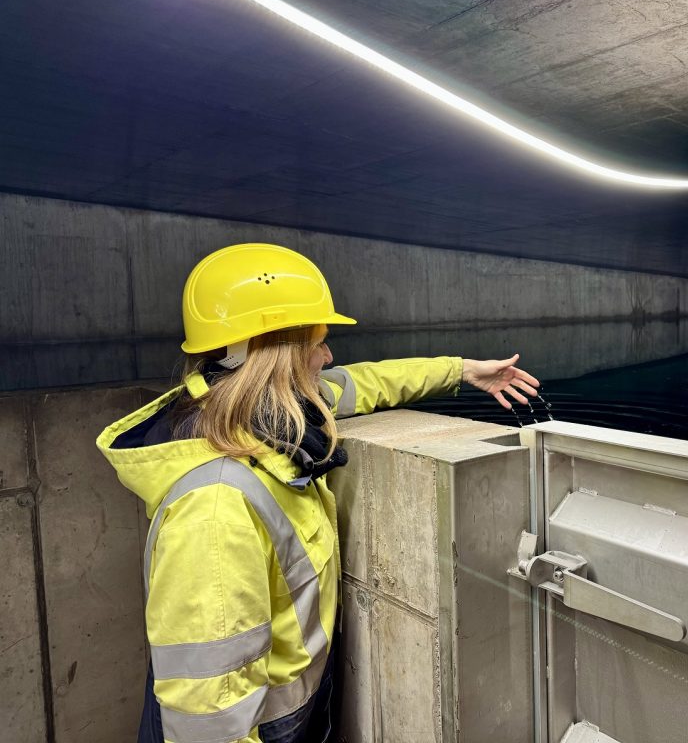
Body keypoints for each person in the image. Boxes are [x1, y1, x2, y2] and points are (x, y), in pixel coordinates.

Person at [96, 242, 539, 743]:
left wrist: (461, 370)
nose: (329, 357)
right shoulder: (215, 504)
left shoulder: (267, 415)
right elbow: (207, 724)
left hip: (297, 715)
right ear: (273, 354)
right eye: (318, 342)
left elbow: (368, 382)